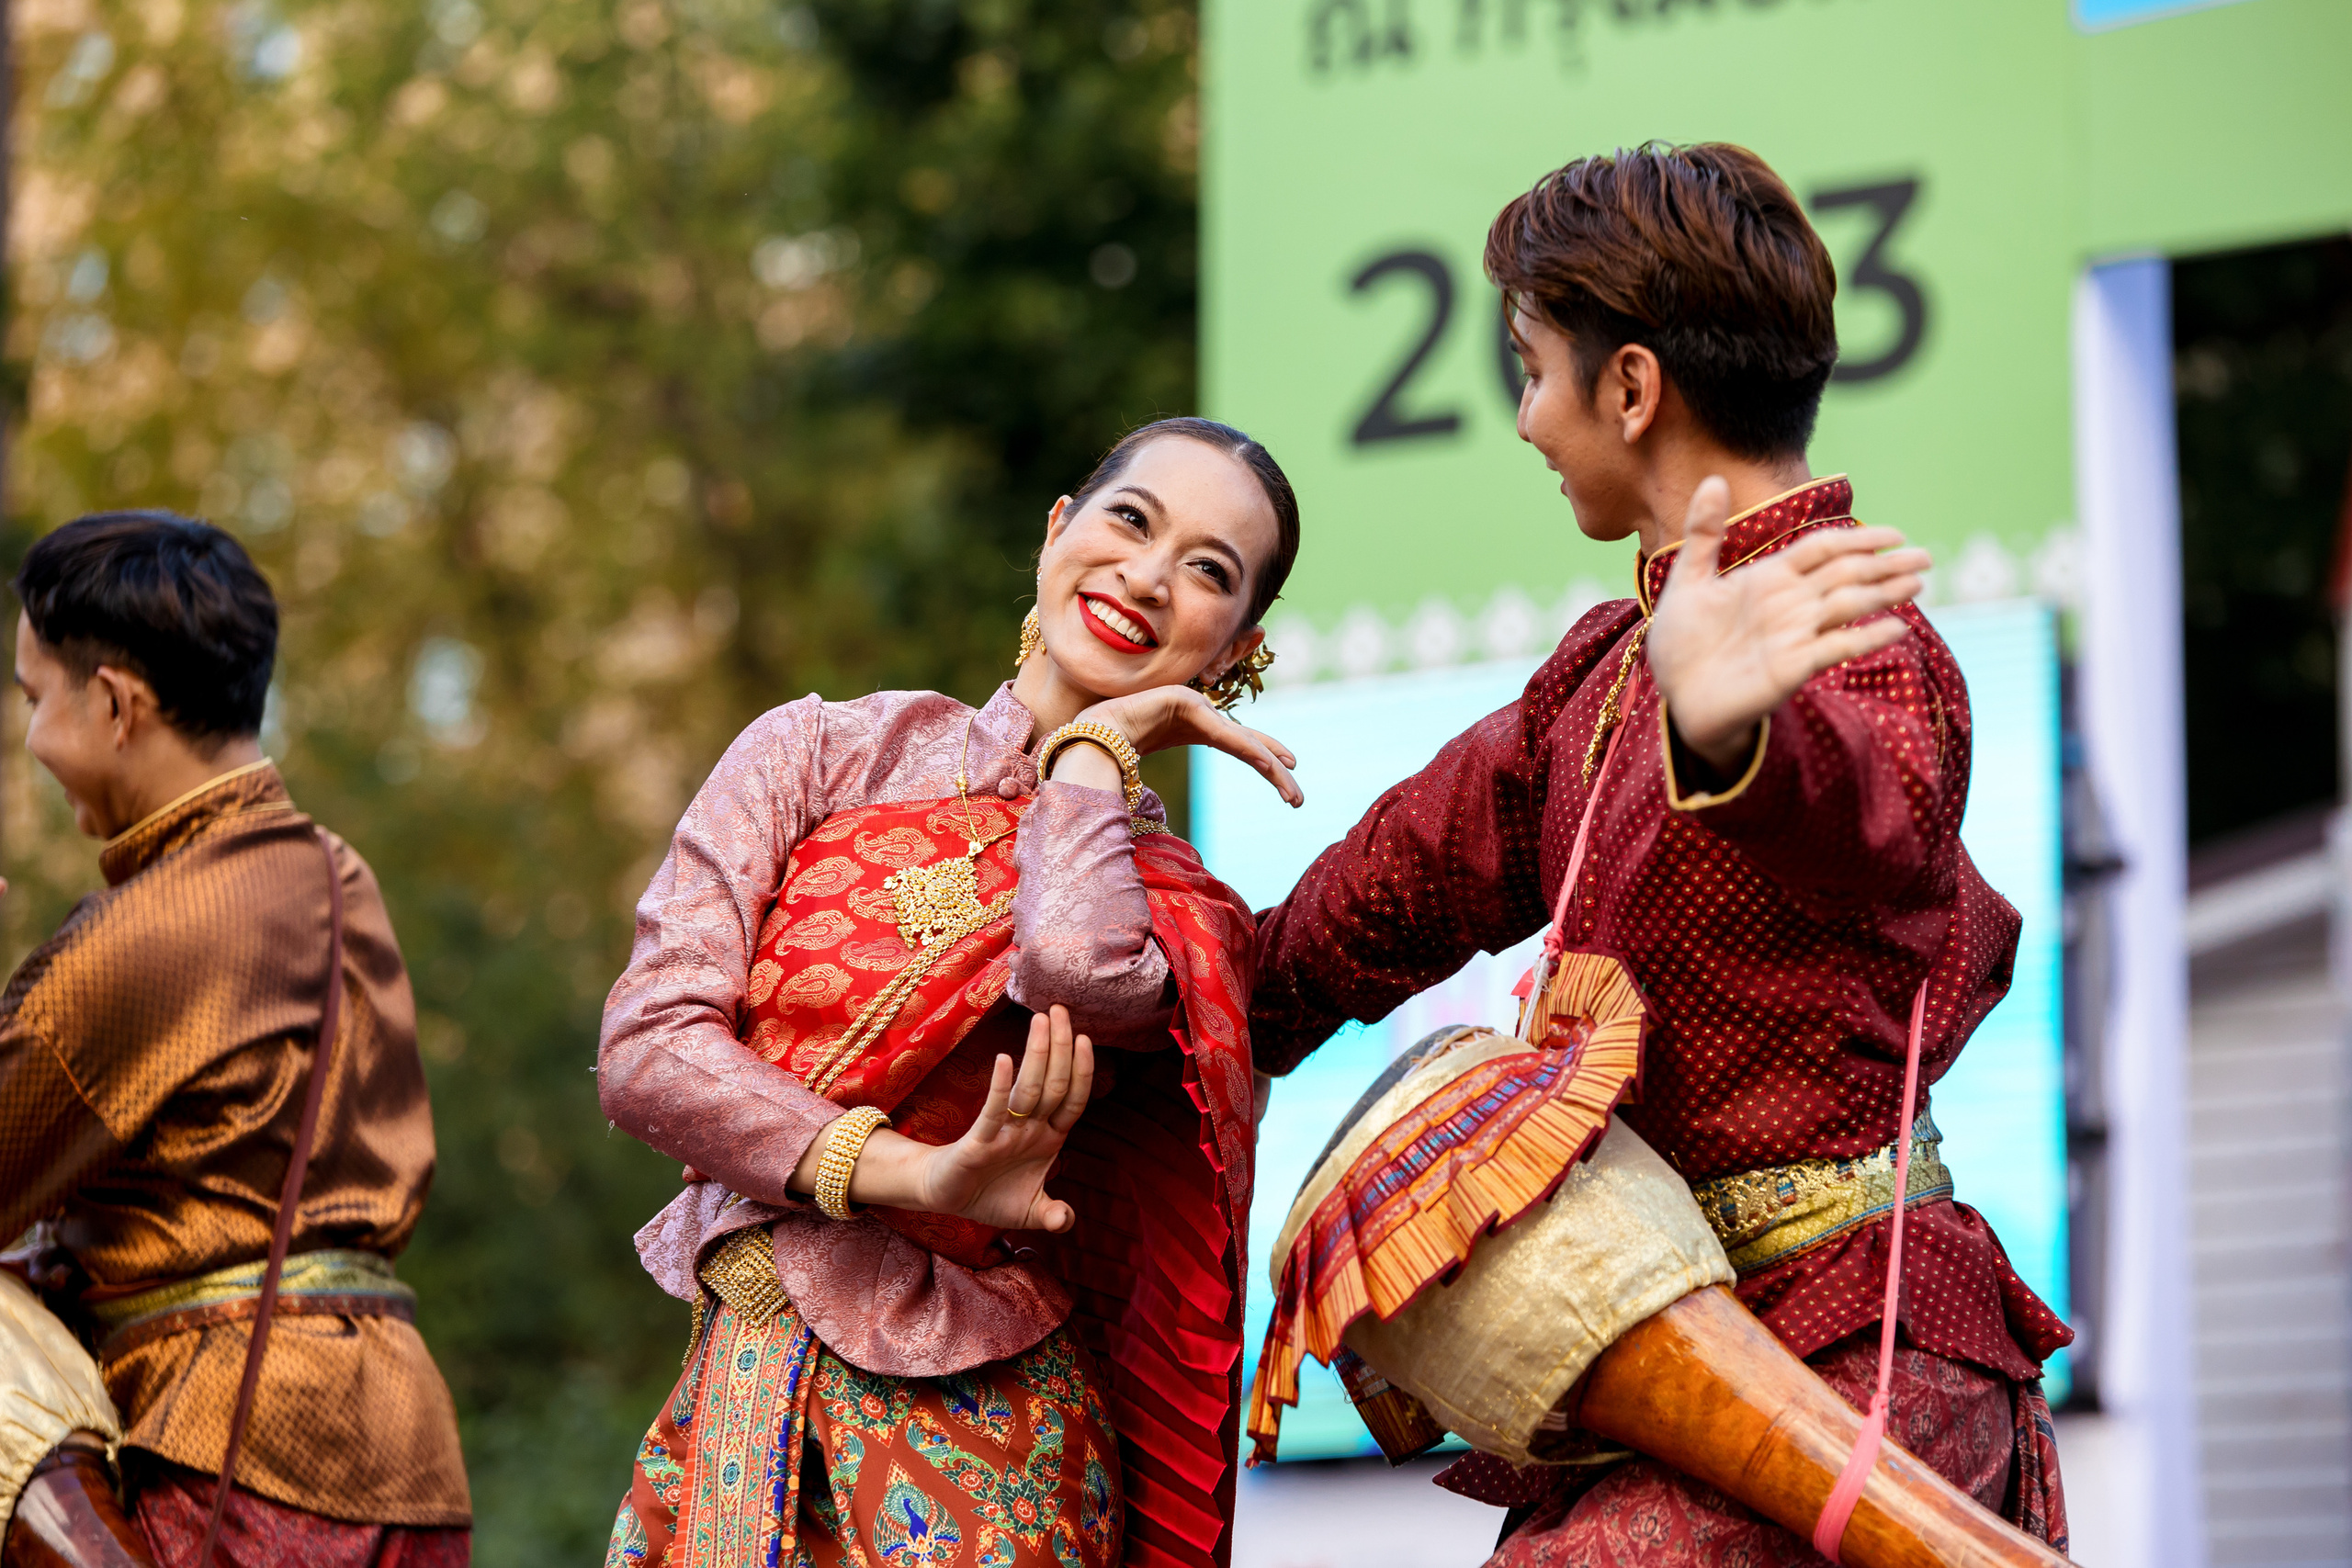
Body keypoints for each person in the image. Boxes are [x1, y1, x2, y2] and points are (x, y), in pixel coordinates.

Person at [1249, 144, 2072, 1564]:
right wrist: (1132, 950)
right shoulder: (1598, 680)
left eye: (1530, 371)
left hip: (1863, 1361)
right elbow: (1365, 902)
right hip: (1671, 1381)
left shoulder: (1859, 636)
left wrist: (1729, 736)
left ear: (1629, 387)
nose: (1521, 421)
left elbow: (1867, 820)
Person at [598, 417, 1302, 1568]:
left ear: (1235, 650)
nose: (1147, 576)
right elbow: (645, 1051)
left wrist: (1088, 759)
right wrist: (917, 1173)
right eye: (1130, 520)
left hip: (989, 1449)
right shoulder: (819, 752)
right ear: (1057, 530)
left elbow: (1072, 969)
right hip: (735, 1407)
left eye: (1208, 572)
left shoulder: (1180, 912)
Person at [0, 513, 470, 1564]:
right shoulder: (335, 875)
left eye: (35, 702)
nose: (29, 742)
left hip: (235, 1465)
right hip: (410, 1459)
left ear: (116, 703)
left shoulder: (149, 934)